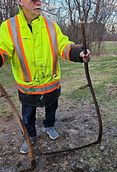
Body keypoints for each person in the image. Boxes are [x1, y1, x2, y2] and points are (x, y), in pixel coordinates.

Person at [0, 0, 91, 154]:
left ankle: (49, 125)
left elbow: (64, 46)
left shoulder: (51, 26)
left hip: (51, 84)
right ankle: (30, 136)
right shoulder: (8, 27)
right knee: (28, 114)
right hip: (27, 87)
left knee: (52, 108)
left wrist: (79, 53)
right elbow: (3, 49)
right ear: (20, 1)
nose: (38, 2)